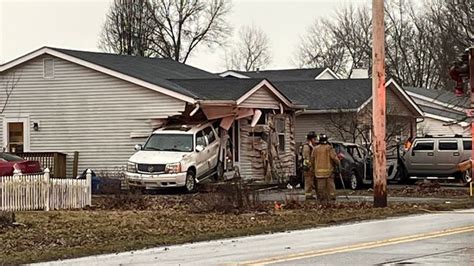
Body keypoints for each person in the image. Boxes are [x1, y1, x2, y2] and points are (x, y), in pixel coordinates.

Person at [310, 134, 341, 203]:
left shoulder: (315, 149)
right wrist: (338, 163)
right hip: (328, 173)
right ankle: (331, 199)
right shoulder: (329, 148)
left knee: (321, 188)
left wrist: (312, 168)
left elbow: (312, 160)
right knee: (330, 188)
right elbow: (334, 158)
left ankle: (321, 200)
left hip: (318, 173)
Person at [302, 131, 318, 200]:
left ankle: (317, 194)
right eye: (314, 139)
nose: (315, 141)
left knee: (315, 182)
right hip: (308, 168)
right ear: (310, 139)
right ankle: (308, 195)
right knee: (309, 182)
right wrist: (309, 166)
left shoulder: (313, 146)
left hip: (314, 167)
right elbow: (306, 158)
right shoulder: (306, 147)